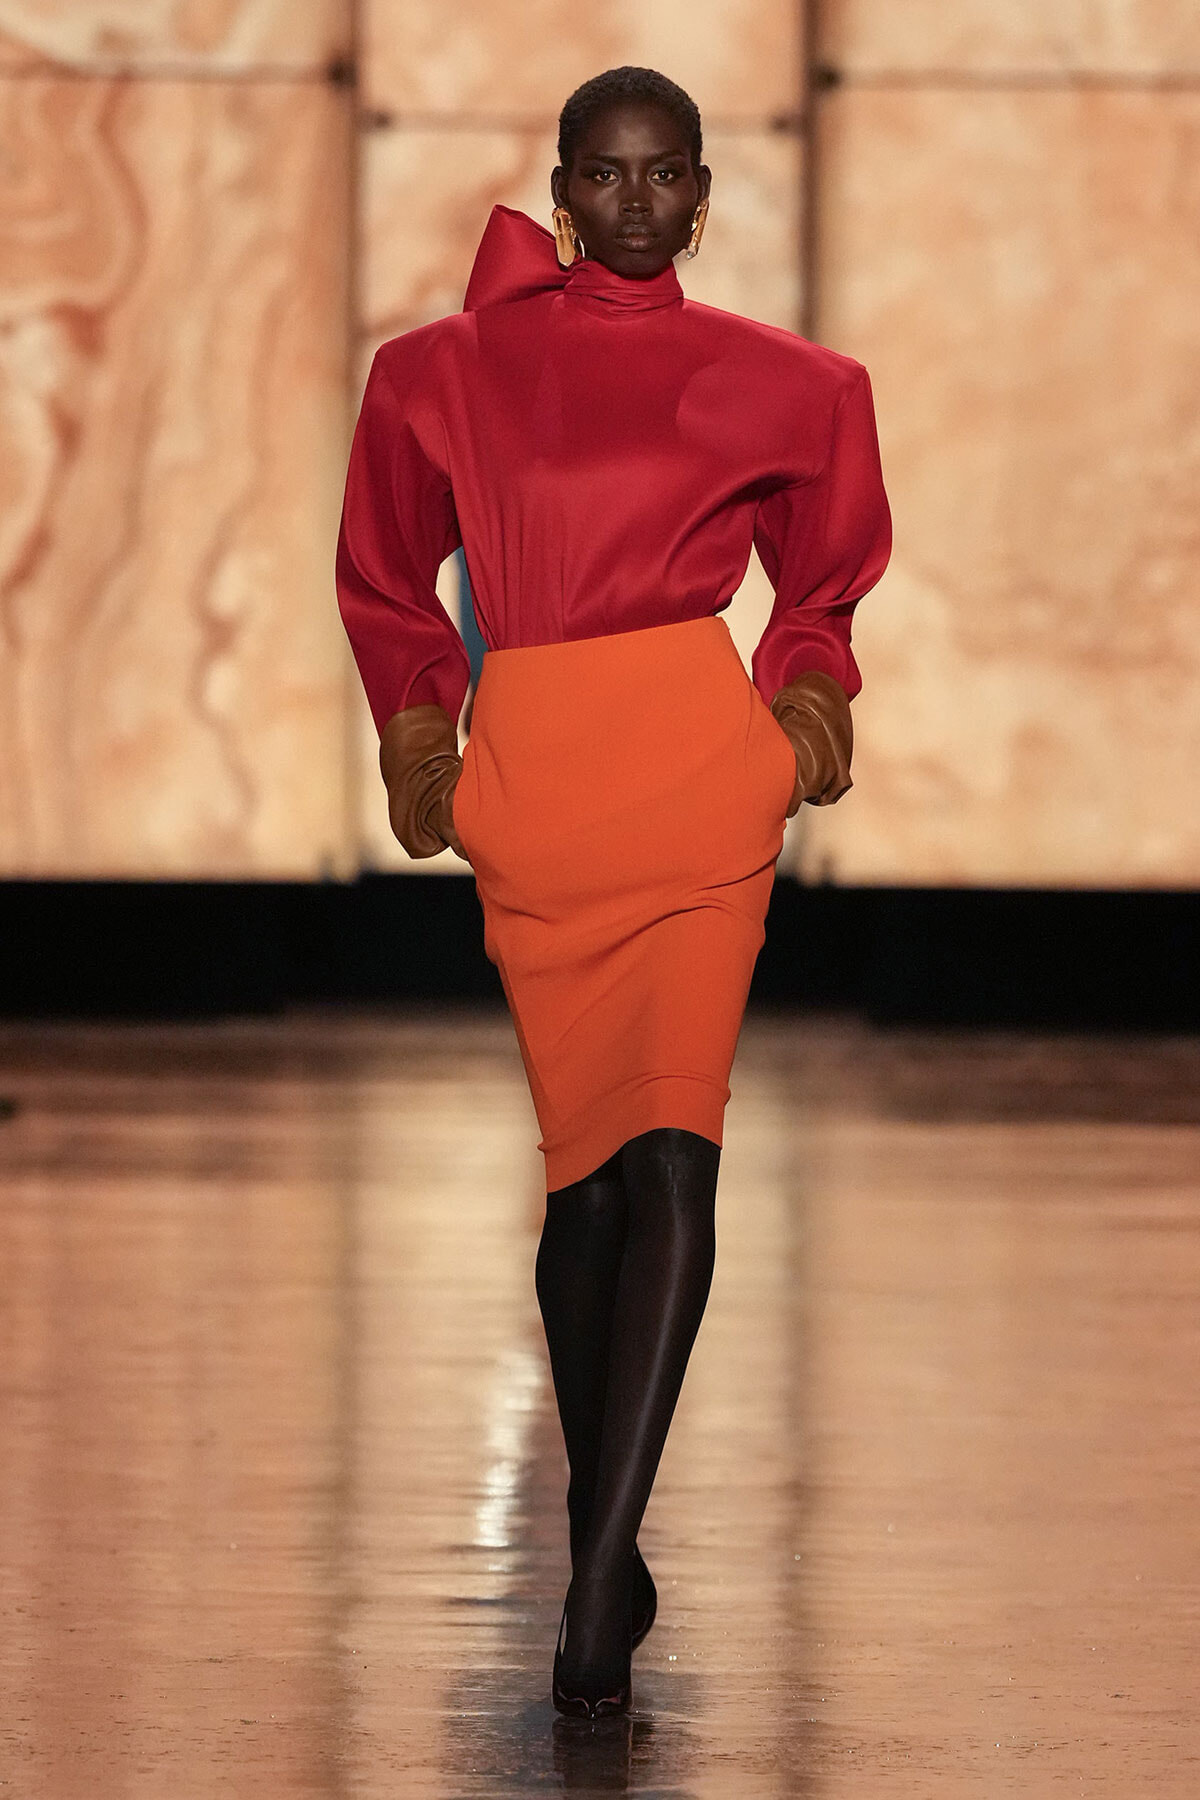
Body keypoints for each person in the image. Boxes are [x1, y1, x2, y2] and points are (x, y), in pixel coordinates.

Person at [335, 65, 891, 1718]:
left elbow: (832, 562)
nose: (635, 204)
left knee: (677, 1156)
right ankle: (603, 1520)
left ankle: (594, 1587)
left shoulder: (786, 383)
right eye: (604, 174)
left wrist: (800, 702)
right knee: (584, 1187)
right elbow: (380, 570)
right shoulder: (440, 373)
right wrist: (424, 735)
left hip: (699, 790)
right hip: (546, 803)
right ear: (561, 185)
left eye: (665, 178)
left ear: (703, 190)